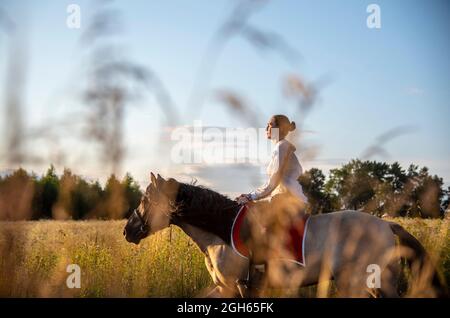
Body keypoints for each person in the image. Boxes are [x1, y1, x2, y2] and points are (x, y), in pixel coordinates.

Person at [236, 114, 308, 207]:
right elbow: (272, 184)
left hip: (286, 200)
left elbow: (274, 181)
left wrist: (250, 197)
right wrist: (251, 195)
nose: (266, 129)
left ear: (280, 128)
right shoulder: (281, 147)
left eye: (270, 125)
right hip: (284, 198)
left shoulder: (282, 147)